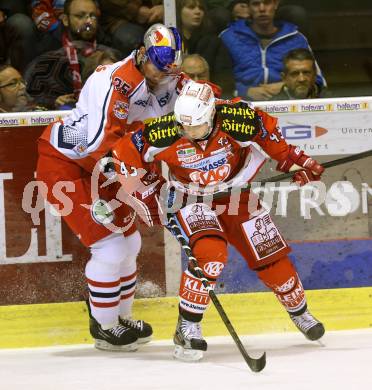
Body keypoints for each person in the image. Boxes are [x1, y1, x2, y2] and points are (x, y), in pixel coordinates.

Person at [111, 80, 325, 361]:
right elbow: (123, 155)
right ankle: (188, 326)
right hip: (191, 199)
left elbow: (275, 143)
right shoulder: (164, 130)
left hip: (237, 195)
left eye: (196, 126)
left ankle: (300, 313)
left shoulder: (238, 119)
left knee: (274, 260)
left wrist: (300, 166)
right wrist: (152, 189)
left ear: (211, 115)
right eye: (183, 126)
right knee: (210, 255)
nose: (188, 132)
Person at [36, 23, 185, 351]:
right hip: (67, 165)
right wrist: (143, 185)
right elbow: (102, 144)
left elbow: (196, 101)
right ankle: (104, 327)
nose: (164, 77)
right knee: (110, 247)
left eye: (170, 70)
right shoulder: (115, 82)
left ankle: (119, 316)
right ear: (143, 54)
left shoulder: (165, 72)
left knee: (129, 243)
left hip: (103, 166)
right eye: (159, 69)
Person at [220, 0, 326, 101]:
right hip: (240, 104)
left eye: (267, 3)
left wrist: (287, 85)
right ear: (249, 8)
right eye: (256, 4)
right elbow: (217, 79)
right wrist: (243, 91)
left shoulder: (296, 38)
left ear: (275, 4)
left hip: (287, 103)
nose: (262, 9)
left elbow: (319, 82)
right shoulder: (228, 36)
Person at [25, 0, 116, 109]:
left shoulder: (110, 49)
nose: (88, 22)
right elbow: (30, 94)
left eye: (92, 16)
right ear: (65, 20)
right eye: (80, 16)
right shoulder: (47, 51)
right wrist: (53, 101)